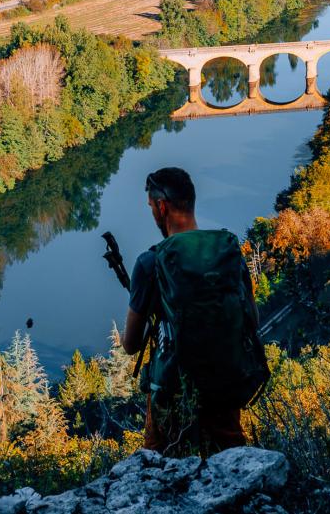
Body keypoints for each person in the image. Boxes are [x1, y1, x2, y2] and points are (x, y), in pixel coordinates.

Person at [122, 166, 262, 457]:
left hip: (171, 395)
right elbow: (253, 319)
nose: (152, 213)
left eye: (151, 207)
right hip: (224, 386)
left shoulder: (151, 262)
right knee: (229, 461)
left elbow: (131, 345)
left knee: (163, 469)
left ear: (162, 207)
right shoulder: (228, 252)